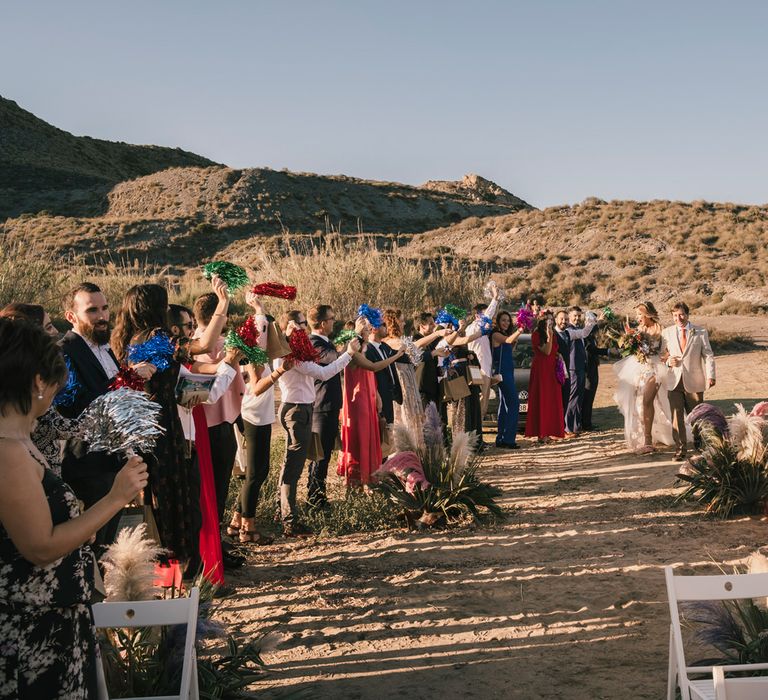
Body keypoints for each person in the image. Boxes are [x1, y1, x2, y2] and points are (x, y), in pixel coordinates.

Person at [0, 317, 148, 699]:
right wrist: (115, 498)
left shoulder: (21, 439)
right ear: (37, 380)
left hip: (55, 618)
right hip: (32, 631)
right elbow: (41, 546)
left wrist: (82, 524)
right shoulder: (7, 451)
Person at [110, 280, 232, 564]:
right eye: (164, 305)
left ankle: (163, 569)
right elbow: (205, 345)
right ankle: (184, 571)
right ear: (154, 308)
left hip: (143, 428)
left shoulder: (128, 340)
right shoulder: (157, 336)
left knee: (153, 499)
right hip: (165, 429)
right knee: (178, 502)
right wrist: (222, 305)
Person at [58, 283, 149, 551]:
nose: (102, 316)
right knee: (91, 545)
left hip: (113, 461)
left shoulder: (104, 348)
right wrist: (129, 380)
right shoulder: (64, 351)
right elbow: (73, 403)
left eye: (105, 308)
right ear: (71, 316)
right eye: (92, 310)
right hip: (87, 463)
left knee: (108, 545)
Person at [273, 311, 359, 536]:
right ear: (291, 326)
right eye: (302, 323)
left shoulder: (294, 352)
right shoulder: (291, 356)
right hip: (297, 410)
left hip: (300, 408)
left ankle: (280, 509)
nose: (306, 327)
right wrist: (349, 353)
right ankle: (289, 520)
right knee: (293, 467)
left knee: (289, 464)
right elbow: (324, 373)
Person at [0, 304, 77, 476]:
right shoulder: (13, 452)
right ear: (39, 381)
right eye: (48, 326)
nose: (56, 331)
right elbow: (58, 426)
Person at [191, 293, 247, 526]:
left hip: (196, 426)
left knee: (201, 488)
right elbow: (237, 389)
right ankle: (216, 538)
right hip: (221, 424)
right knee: (219, 487)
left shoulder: (190, 345)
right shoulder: (227, 346)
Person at [338, 318, 403, 486]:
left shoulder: (364, 350)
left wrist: (377, 396)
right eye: (366, 330)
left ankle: (370, 477)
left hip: (370, 397)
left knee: (371, 437)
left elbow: (370, 376)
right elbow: (373, 367)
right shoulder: (353, 353)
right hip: (358, 401)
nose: (369, 332)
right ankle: (359, 479)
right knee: (362, 438)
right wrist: (396, 355)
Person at [612, 302, 676, 453]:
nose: (638, 318)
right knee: (639, 403)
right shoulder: (637, 331)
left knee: (647, 400)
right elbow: (633, 351)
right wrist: (631, 345)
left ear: (647, 314)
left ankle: (648, 440)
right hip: (640, 369)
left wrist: (666, 359)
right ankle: (646, 436)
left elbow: (667, 352)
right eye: (636, 315)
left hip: (656, 369)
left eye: (639, 315)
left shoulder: (661, 330)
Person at [659, 301, 716, 460]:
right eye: (675, 315)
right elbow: (661, 355)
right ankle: (680, 450)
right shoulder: (666, 332)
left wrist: (711, 375)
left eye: (682, 314)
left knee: (696, 416)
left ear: (688, 314)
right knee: (676, 416)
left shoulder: (700, 331)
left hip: (695, 380)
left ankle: (700, 444)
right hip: (674, 381)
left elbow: (708, 355)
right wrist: (668, 360)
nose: (679, 318)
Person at [306, 304, 343, 509]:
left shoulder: (324, 342)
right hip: (321, 405)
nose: (333, 321)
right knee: (320, 454)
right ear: (322, 323)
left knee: (325, 453)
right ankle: (316, 499)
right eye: (331, 318)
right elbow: (335, 358)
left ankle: (318, 495)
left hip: (329, 404)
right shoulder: (314, 343)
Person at [554, 307, 597, 437]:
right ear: (556, 320)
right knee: (571, 399)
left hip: (578, 368)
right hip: (570, 369)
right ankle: (568, 427)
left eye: (566, 319)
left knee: (577, 398)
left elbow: (584, 333)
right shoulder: (562, 332)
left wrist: (591, 321)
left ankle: (575, 426)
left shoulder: (570, 332)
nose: (565, 321)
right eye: (563, 318)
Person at [525, 314, 565, 442]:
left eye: (551, 319)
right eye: (547, 319)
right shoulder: (537, 334)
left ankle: (548, 432)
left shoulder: (552, 333)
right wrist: (550, 335)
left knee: (551, 401)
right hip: (541, 371)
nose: (550, 322)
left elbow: (553, 351)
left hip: (551, 370)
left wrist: (558, 355)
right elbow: (546, 351)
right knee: (541, 400)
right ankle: (541, 434)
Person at [366, 321, 402, 455]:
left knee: (388, 434)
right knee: (380, 434)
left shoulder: (385, 347)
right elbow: (371, 371)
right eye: (383, 325)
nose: (386, 328)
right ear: (374, 329)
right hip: (378, 398)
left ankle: (385, 466)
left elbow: (402, 356)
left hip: (390, 395)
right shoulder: (367, 350)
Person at [466, 284, 501, 417]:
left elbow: (491, 316)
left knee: (484, 402)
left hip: (485, 370)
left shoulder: (483, 332)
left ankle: (478, 433)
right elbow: (488, 315)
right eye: (484, 315)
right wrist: (495, 298)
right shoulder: (474, 329)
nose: (489, 319)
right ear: (476, 316)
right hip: (477, 370)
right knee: (480, 401)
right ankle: (476, 433)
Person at [491, 310, 523, 448]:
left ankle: (502, 438)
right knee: (514, 404)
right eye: (503, 320)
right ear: (498, 321)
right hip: (502, 372)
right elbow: (509, 340)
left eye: (508, 321)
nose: (506, 323)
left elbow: (511, 345)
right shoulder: (496, 334)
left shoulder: (503, 334)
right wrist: (520, 330)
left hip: (509, 371)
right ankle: (509, 439)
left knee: (504, 405)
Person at [582, 322, 612, 431]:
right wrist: (607, 351)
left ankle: (587, 422)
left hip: (593, 369)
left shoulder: (591, 336)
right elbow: (592, 350)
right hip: (588, 371)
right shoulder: (585, 337)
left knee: (590, 398)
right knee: (587, 398)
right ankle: (585, 424)